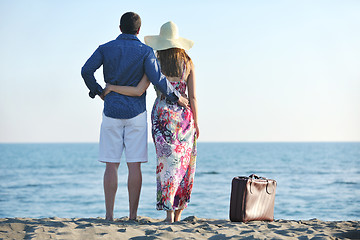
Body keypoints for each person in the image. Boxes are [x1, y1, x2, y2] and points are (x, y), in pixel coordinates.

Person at [81, 13, 189, 221]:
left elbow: (86, 70)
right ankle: (132, 215)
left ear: (119, 27)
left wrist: (98, 91)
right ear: (139, 30)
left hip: (111, 112)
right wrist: (176, 97)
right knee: (134, 165)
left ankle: (109, 216)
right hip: (136, 114)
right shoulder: (145, 51)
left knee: (111, 165)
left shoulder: (105, 48)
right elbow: (158, 79)